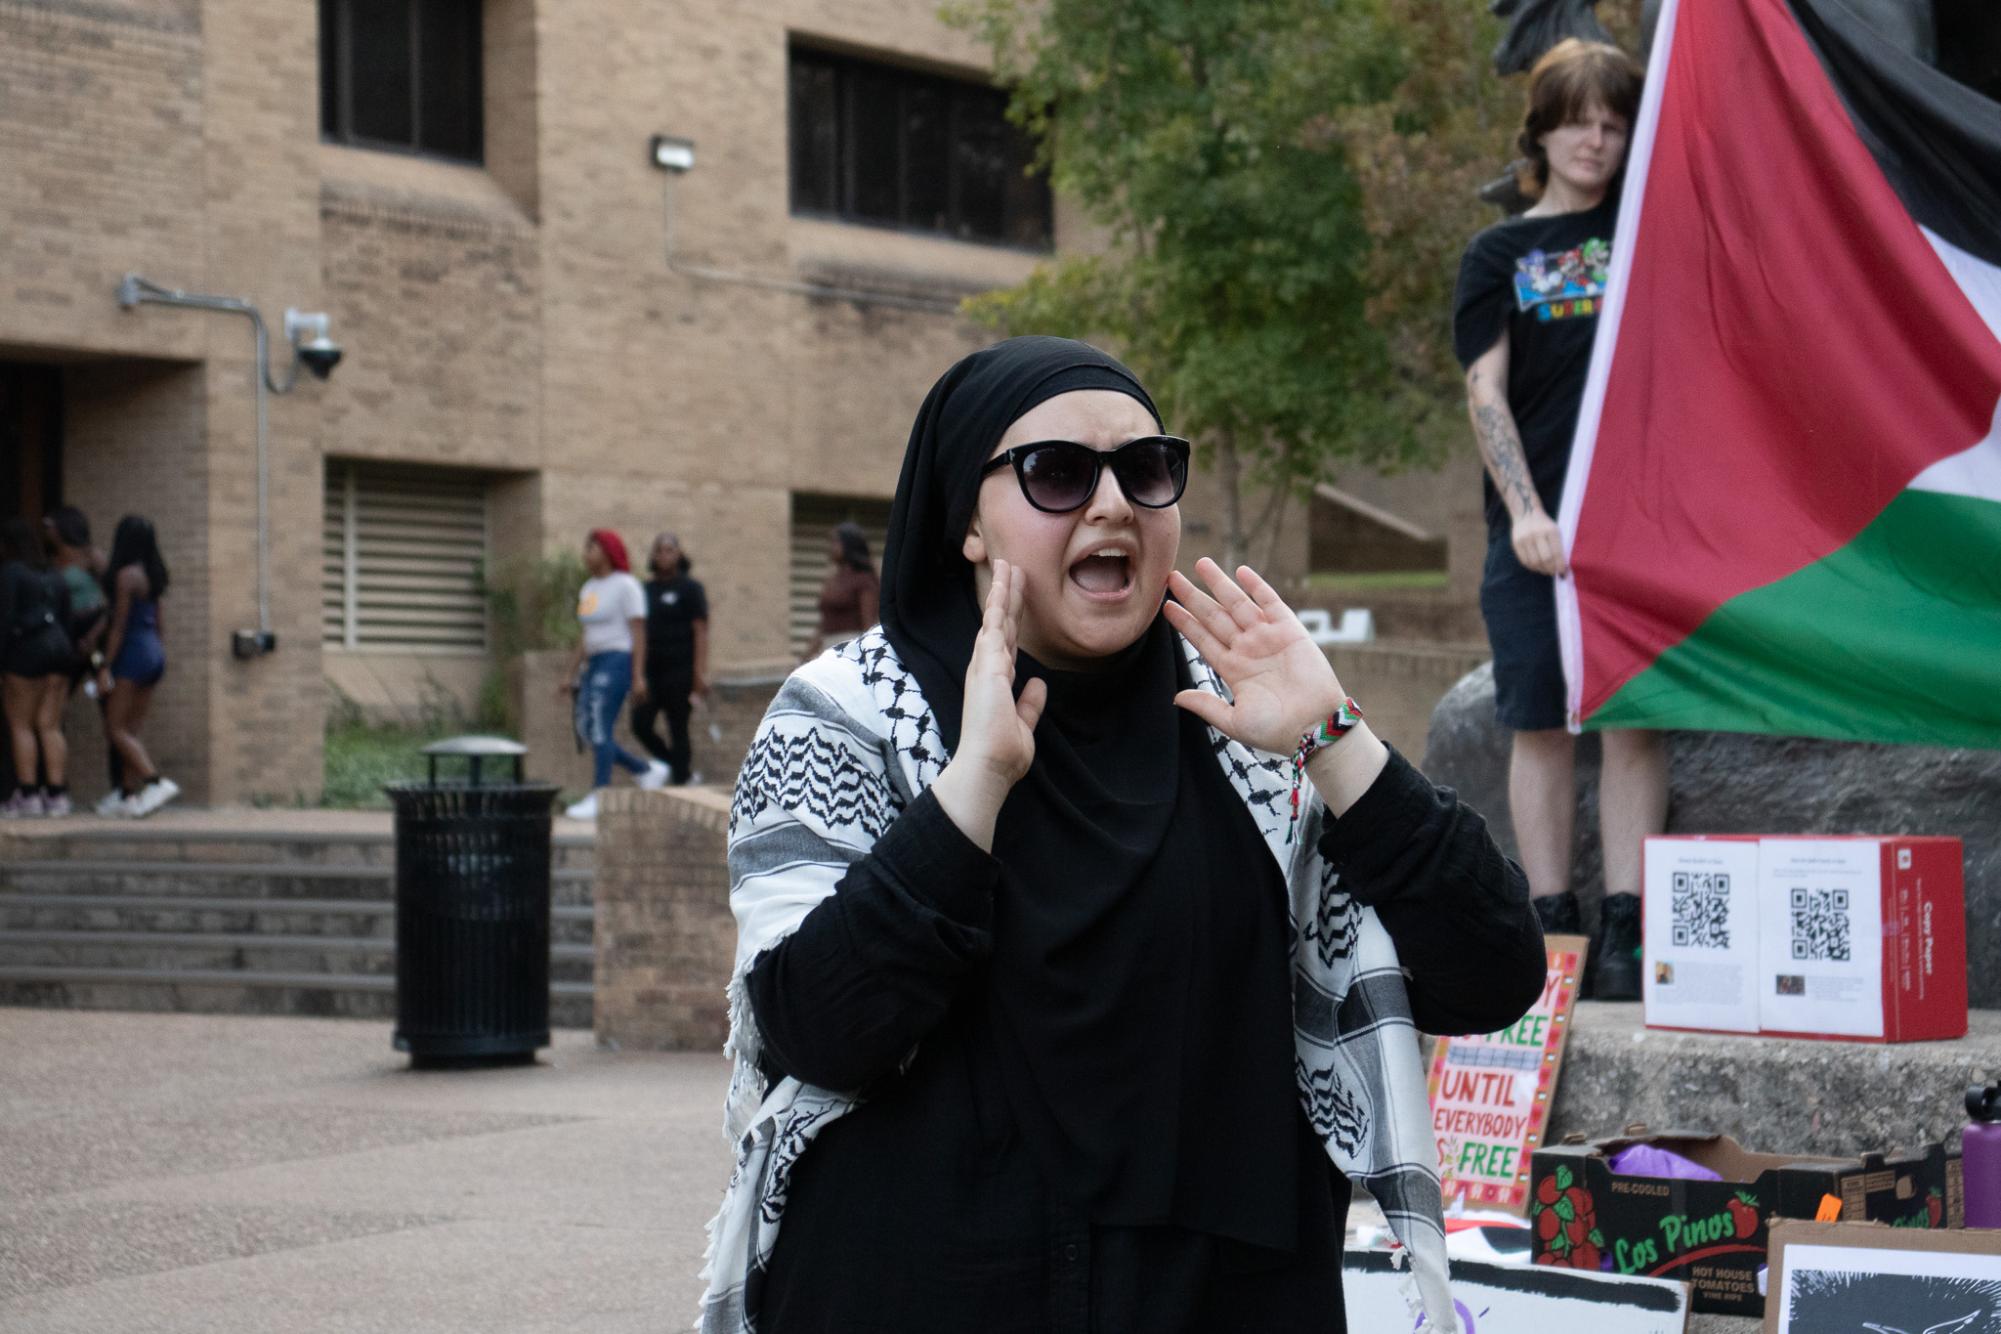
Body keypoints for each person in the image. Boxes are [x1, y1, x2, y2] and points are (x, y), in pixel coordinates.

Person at [703, 337, 1545, 1333]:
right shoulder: (851, 716)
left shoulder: (1249, 724)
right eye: (1057, 472)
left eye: (1144, 470)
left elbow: (1494, 970)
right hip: (921, 1287)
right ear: (965, 520)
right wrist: (970, 789)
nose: (1111, 504)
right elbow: (818, 1028)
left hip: (1221, 1296)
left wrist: (1336, 739)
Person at [1453, 38, 1663, 999]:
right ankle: (1554, 926)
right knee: (1538, 720)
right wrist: (1526, 512)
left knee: (1635, 722)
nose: (1596, 138)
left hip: (1644, 522)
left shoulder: (1654, 230)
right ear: (1540, 129)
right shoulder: (1498, 253)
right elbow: (1484, 390)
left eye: (1615, 123)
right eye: (1578, 119)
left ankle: (1628, 925)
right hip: (1533, 536)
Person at [558, 528, 668, 820]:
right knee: (586, 728)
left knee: (598, 725)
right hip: (593, 663)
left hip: (618, 659)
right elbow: (586, 634)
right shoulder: (588, 588)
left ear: (607, 551)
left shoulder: (626, 586)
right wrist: (569, 673)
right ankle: (644, 770)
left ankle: (600, 794)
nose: (586, 554)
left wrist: (638, 675)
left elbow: (638, 631)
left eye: (591, 547)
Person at [95, 515, 179, 817]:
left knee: (114, 729)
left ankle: (155, 782)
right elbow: (159, 622)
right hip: (154, 652)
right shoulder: (154, 574)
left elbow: (118, 625)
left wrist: (105, 665)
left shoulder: (126, 576)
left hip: (132, 652)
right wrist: (157, 653)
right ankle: (127, 795)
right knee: (130, 730)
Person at [43, 506, 120, 811]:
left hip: (95, 637)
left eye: (49, 525)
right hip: (67, 640)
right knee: (54, 712)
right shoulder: (51, 563)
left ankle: (121, 787)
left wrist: (97, 634)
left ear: (63, 527)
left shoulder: (92, 556)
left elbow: (115, 602)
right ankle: (56, 787)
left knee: (110, 708)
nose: (46, 531)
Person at [0, 517, 75, 817]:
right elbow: (67, 617)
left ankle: (28, 793)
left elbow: (4, 619)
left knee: (20, 723)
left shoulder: (12, 572)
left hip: (26, 653)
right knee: (50, 724)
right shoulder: (54, 574)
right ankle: (56, 794)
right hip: (60, 650)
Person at [631, 532, 709, 786]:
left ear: (678, 554)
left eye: (669, 550)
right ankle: (673, 765)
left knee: (678, 727)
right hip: (652, 670)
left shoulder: (691, 589)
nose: (664, 555)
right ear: (653, 556)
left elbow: (700, 631)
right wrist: (638, 674)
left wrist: (699, 673)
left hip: (681, 670)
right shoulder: (645, 590)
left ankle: (681, 778)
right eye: (659, 550)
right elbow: (639, 631)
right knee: (640, 723)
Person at [804, 522, 878, 658]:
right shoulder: (833, 578)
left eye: (835, 542)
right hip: (828, 648)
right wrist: (804, 658)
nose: (831, 547)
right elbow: (824, 624)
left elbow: (868, 624)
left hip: (850, 649)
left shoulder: (863, 579)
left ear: (849, 544)